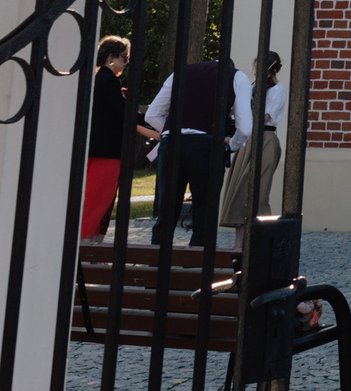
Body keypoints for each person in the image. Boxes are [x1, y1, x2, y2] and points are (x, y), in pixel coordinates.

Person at [142, 52, 254, 248]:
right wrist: (231, 143)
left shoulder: (181, 72)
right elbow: (245, 127)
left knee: (166, 207)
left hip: (172, 144)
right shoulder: (236, 77)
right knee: (204, 208)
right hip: (206, 145)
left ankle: (157, 259)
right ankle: (196, 261)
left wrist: (170, 131)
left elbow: (151, 115)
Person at [220, 50, 287, 236]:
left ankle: (262, 237)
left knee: (258, 189)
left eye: (260, 67)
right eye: (256, 67)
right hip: (249, 139)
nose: (257, 71)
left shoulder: (277, 90)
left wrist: (249, 104)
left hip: (265, 139)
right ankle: (239, 241)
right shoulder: (254, 86)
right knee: (239, 188)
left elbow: (263, 118)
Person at [81, 37, 134, 241]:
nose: (125, 63)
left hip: (93, 146)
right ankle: (85, 240)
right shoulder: (109, 80)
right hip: (108, 149)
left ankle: (87, 239)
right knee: (98, 198)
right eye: (123, 58)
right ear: (111, 57)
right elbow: (122, 112)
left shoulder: (94, 79)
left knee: (90, 194)